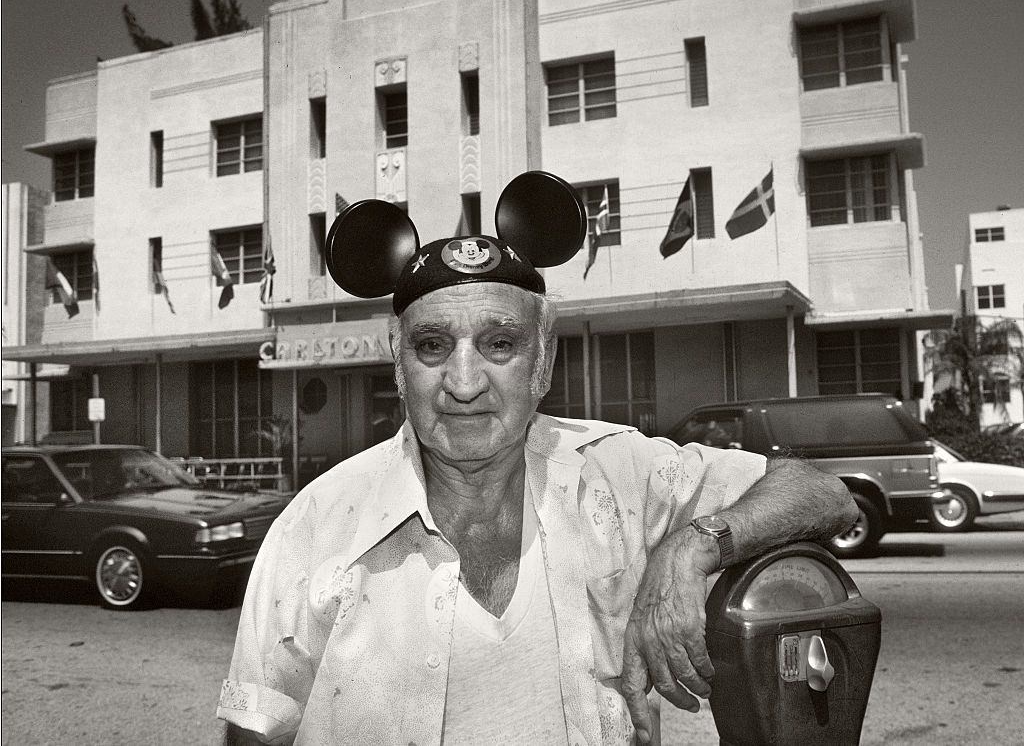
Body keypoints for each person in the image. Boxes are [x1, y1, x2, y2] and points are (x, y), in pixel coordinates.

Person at [217, 173, 857, 745]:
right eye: (433, 345)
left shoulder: (619, 475)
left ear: (543, 360)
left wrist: (695, 544)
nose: (464, 381)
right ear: (398, 362)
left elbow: (820, 493)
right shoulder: (317, 525)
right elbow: (257, 729)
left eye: (500, 343)